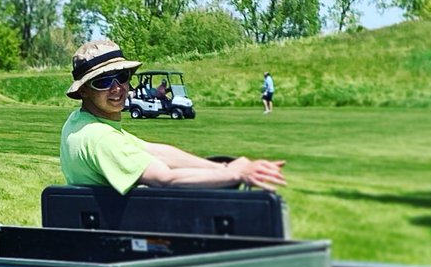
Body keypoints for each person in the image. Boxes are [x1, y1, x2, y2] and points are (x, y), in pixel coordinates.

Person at [61, 39, 286, 193]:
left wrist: (224, 168)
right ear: (84, 90)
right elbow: (165, 178)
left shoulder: (81, 124)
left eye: (122, 76)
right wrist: (237, 175)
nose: (117, 88)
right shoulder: (101, 139)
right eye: (103, 82)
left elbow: (156, 151)